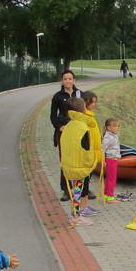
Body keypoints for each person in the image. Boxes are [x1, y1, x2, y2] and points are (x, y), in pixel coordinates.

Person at [60, 96, 96, 225]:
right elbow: (87, 149)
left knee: (75, 191)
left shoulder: (69, 126)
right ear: (82, 109)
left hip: (69, 164)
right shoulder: (83, 127)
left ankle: (75, 214)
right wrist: (90, 162)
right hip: (80, 165)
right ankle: (76, 217)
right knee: (77, 192)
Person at [50, 69, 83, 201]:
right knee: (65, 160)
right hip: (64, 132)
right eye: (65, 79)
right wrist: (59, 127)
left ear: (74, 80)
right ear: (62, 81)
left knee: (79, 160)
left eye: (70, 79)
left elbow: (85, 112)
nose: (68, 81)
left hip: (78, 132)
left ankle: (82, 189)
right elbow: (53, 116)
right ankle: (66, 189)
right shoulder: (57, 96)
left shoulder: (80, 94)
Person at [79, 91, 102, 213]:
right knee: (84, 181)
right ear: (86, 102)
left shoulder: (90, 116)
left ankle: (85, 205)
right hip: (88, 154)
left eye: (95, 102)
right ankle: (82, 207)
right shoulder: (85, 118)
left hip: (92, 153)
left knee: (87, 181)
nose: (95, 104)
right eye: (93, 102)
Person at [102, 118, 121, 203]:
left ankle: (106, 195)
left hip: (113, 160)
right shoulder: (108, 137)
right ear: (108, 127)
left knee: (109, 179)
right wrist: (103, 160)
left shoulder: (113, 135)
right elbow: (102, 149)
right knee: (112, 179)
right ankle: (110, 198)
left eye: (118, 126)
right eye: (115, 126)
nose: (117, 128)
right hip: (111, 160)